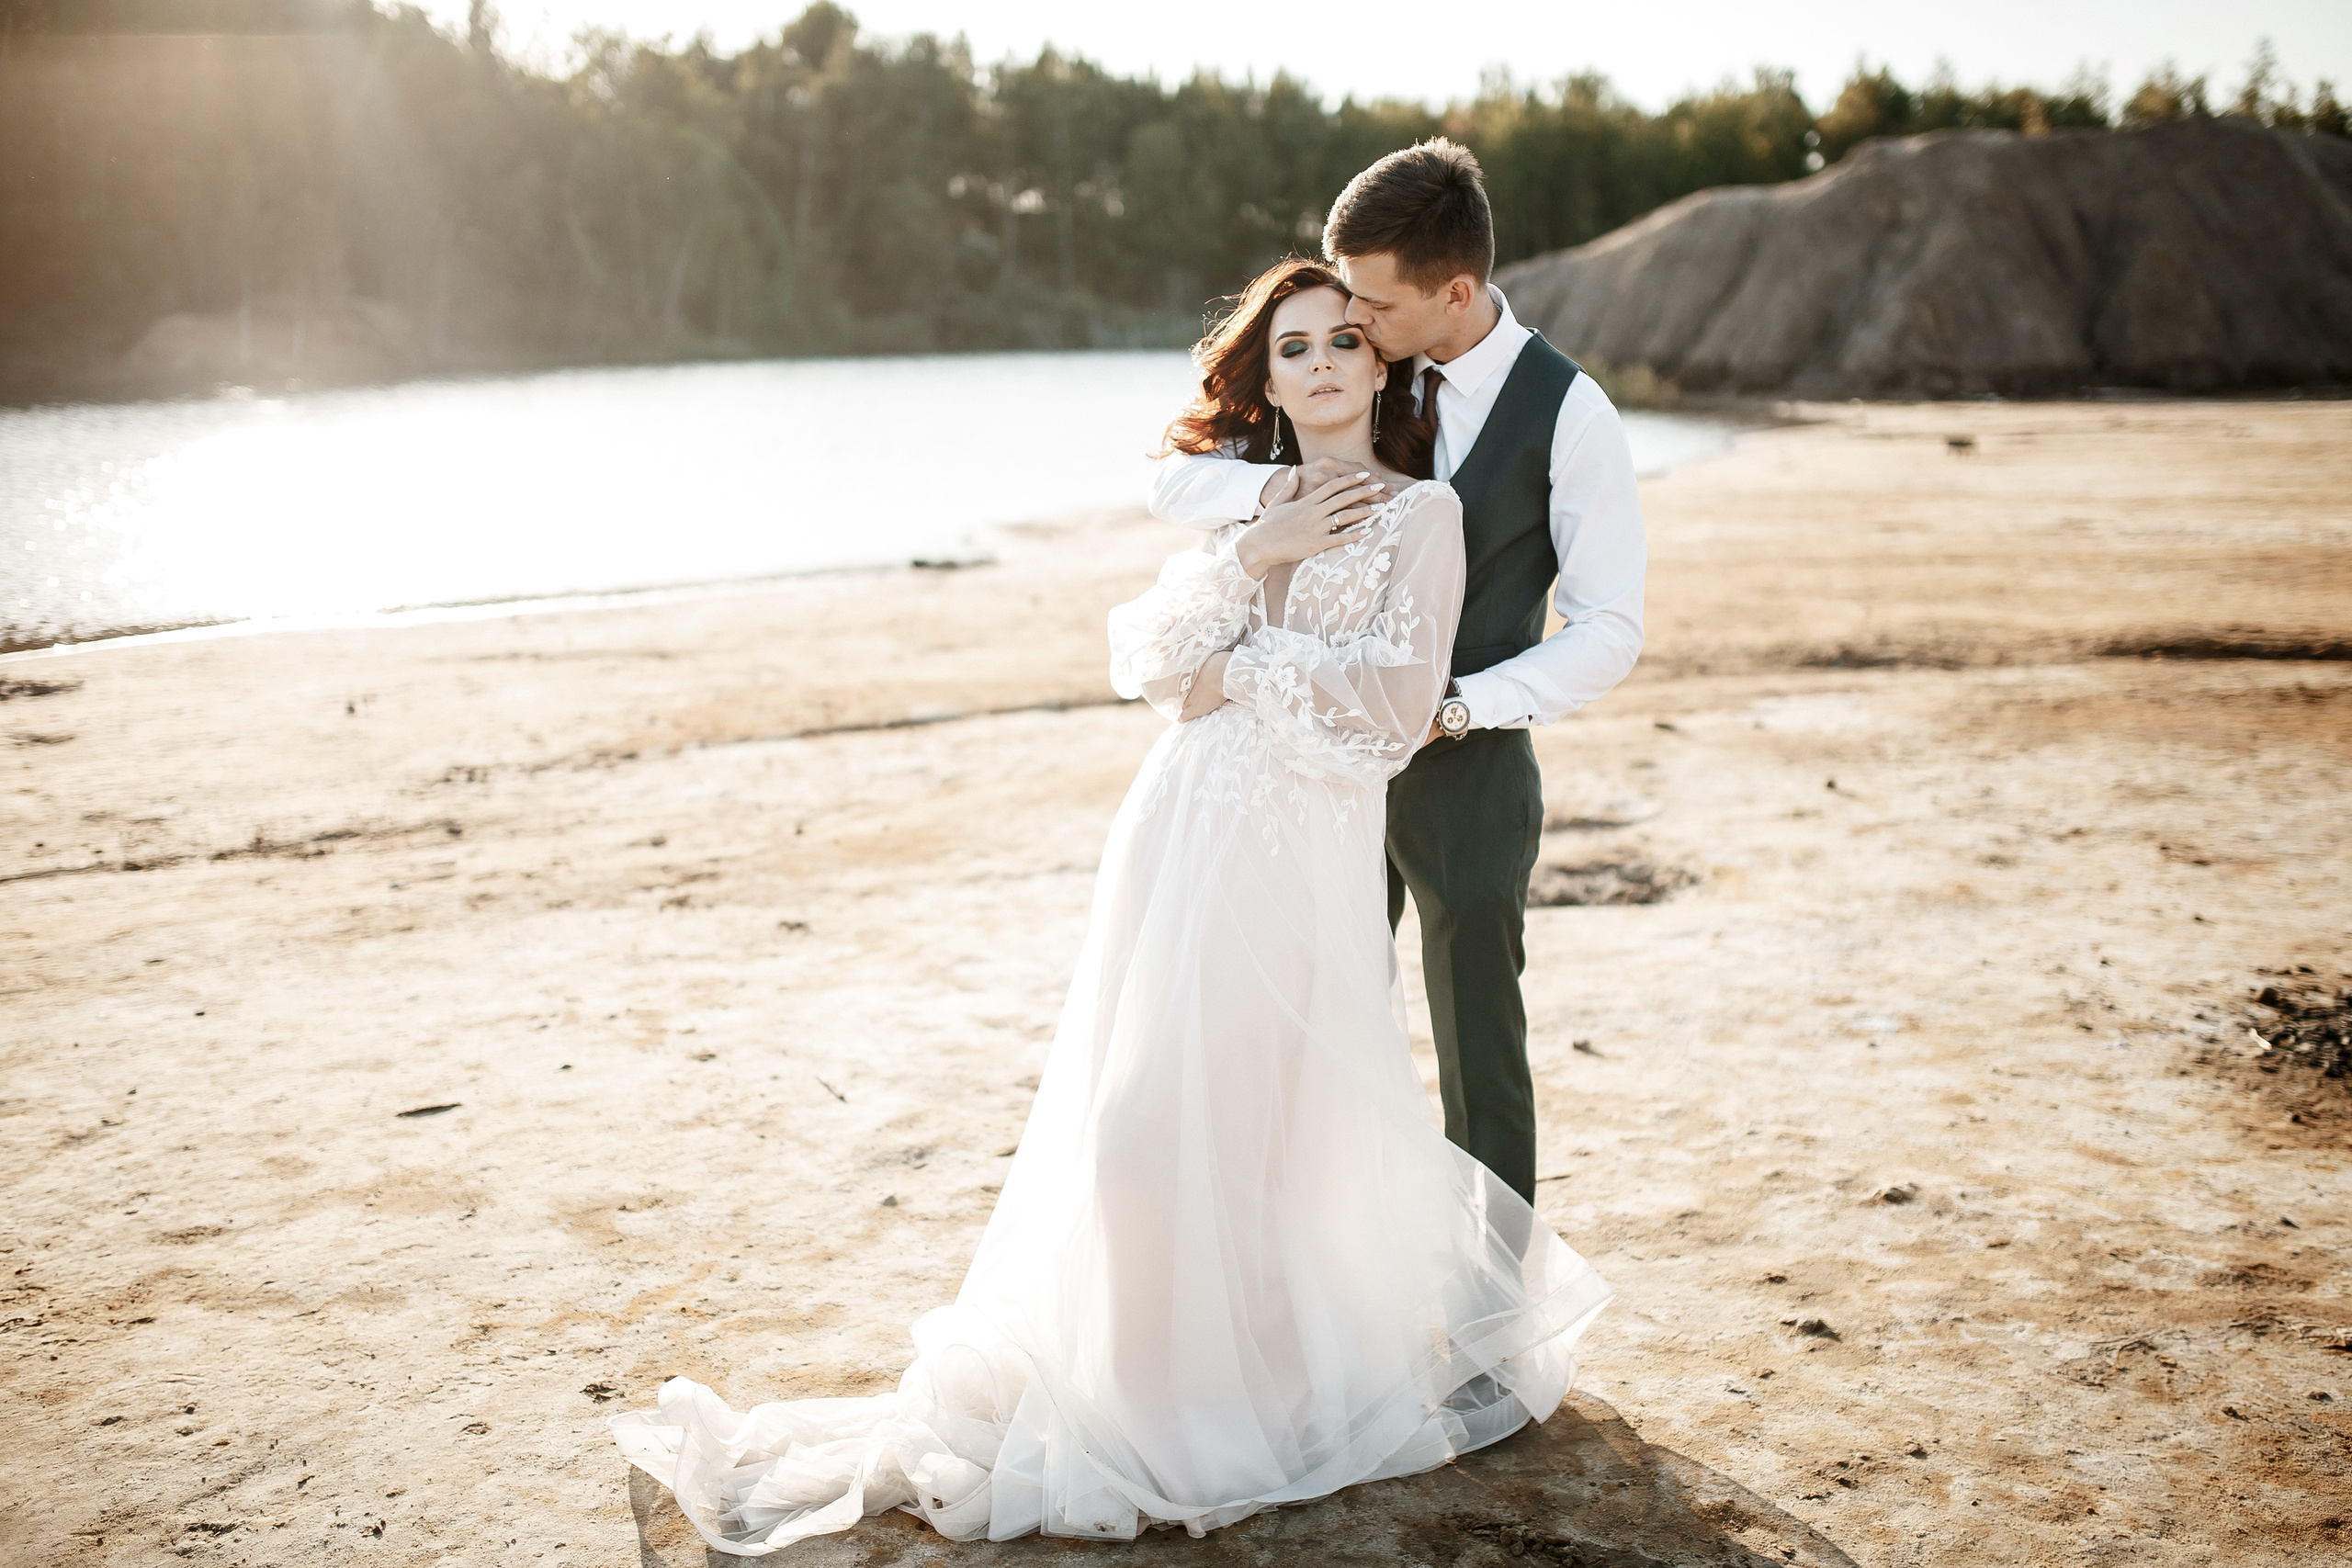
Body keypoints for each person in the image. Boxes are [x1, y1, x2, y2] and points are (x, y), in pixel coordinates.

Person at [608, 255, 1610, 1553]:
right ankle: (1150, 1394)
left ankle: (1230, 1400)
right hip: (1177, 838)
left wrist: (1238, 651)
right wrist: (1258, 556)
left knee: (1247, 1134)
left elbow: (1389, 713)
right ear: (1267, 377)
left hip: (1295, 855)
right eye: (1291, 348)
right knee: (1136, 1123)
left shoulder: (1425, 518)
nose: (1317, 365)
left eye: (1340, 344)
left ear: (1380, 367)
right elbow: (1144, 662)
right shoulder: (1243, 515)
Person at [1149, 139, 1646, 1207]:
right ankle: (1299, 1289)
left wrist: (1461, 708)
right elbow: (1176, 479)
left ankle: (1493, 1323)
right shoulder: (1352, 361)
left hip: (1462, 765)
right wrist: (1280, 502)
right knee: (1303, 1021)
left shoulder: (1571, 413)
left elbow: (1609, 627)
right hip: (1308, 760)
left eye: (1370, 305)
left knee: (1477, 1053)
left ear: (1453, 292)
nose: (1348, 322)